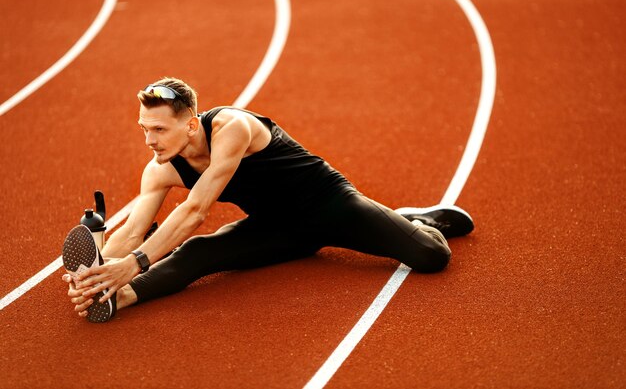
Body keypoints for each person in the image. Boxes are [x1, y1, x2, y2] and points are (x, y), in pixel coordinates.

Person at [62, 77, 474, 323]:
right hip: (277, 227)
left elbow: (195, 210)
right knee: (199, 252)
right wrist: (97, 272)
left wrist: (131, 264)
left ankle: (409, 221)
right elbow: (134, 230)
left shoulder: (233, 128)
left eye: (158, 129)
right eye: (143, 129)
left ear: (190, 126)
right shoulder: (160, 168)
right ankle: (123, 298)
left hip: (330, 205)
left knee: (429, 257)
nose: (149, 140)